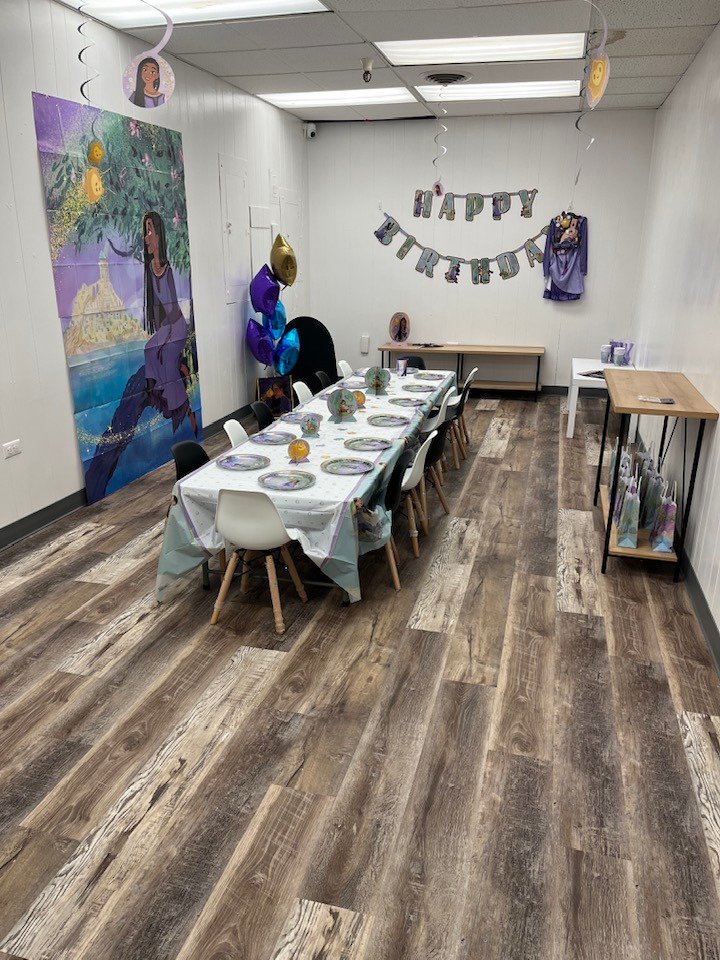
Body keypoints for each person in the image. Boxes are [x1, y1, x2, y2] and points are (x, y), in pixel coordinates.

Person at [84, 211, 197, 502]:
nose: (146, 237)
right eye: (144, 231)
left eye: (150, 231)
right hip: (167, 326)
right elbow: (157, 308)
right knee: (149, 349)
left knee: (161, 357)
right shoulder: (151, 268)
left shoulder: (166, 268)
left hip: (176, 326)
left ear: (159, 234)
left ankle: (176, 402)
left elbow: (172, 309)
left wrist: (167, 338)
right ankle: (162, 390)